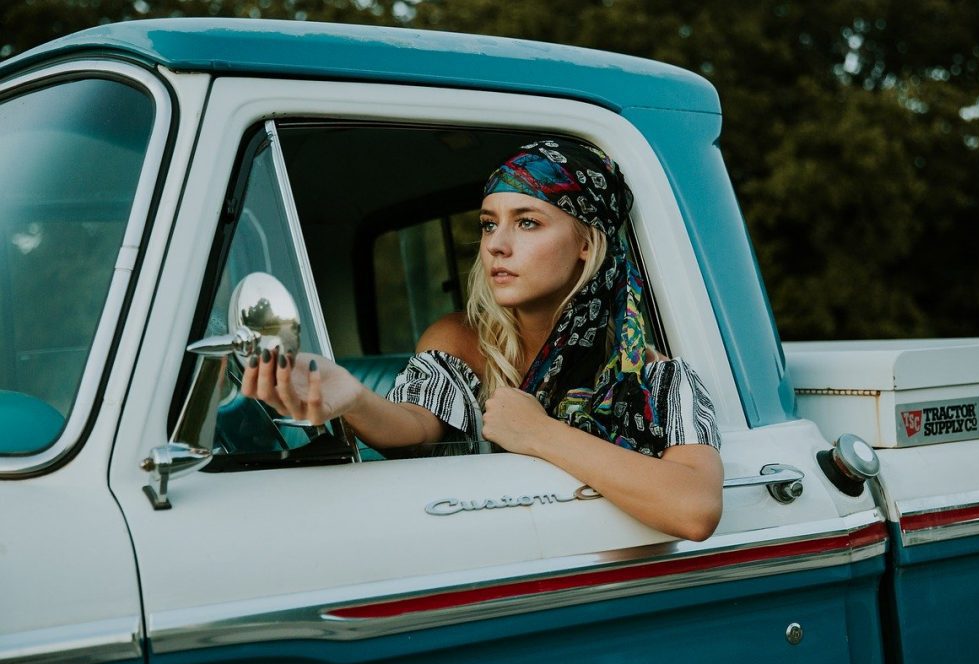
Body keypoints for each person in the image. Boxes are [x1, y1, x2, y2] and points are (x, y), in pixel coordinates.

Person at [242, 139, 724, 541]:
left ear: (586, 242)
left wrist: (538, 432)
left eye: (527, 221)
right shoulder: (458, 339)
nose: (495, 244)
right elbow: (416, 425)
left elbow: (694, 509)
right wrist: (353, 397)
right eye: (489, 223)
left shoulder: (654, 374)